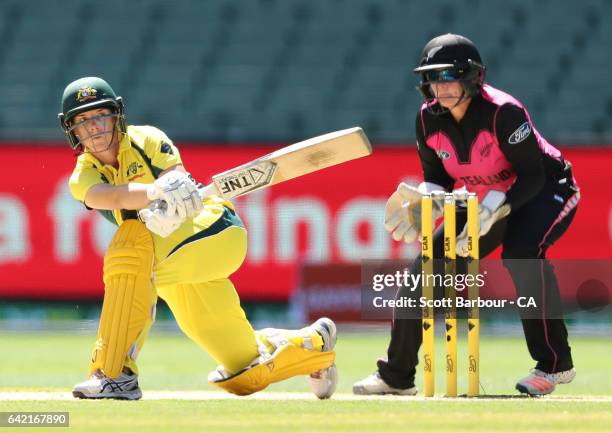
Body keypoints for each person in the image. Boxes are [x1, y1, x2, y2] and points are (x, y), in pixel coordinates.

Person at [59, 76, 338, 400]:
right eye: (82, 122)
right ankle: (314, 345)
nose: (93, 127)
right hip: (171, 267)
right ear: (73, 132)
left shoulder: (146, 139)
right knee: (246, 370)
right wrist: (153, 193)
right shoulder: (82, 176)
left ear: (116, 115)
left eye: (99, 116)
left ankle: (113, 374)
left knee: (128, 243)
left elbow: (174, 174)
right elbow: (111, 197)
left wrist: (175, 190)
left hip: (212, 230)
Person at [353, 34, 580, 396]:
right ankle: (396, 376)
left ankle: (555, 366)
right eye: (432, 77)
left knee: (522, 253)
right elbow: (438, 181)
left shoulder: (504, 113)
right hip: (481, 202)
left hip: (545, 189)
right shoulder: (427, 121)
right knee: (427, 268)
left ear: (473, 77)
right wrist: (425, 197)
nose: (438, 86)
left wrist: (495, 207)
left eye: (448, 76)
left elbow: (533, 175)